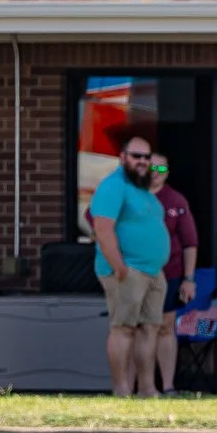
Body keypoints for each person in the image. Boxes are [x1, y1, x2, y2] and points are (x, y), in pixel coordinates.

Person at [88, 135, 171, 398]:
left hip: (152, 271)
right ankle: (121, 389)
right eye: (137, 156)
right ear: (123, 157)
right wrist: (119, 268)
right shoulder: (113, 186)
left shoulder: (141, 189)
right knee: (123, 328)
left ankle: (147, 389)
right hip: (128, 270)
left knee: (150, 328)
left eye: (147, 157)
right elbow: (102, 229)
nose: (143, 162)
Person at [148, 157, 199, 396]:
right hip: (135, 273)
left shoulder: (176, 201)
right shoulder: (130, 196)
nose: (155, 172)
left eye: (161, 168)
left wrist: (189, 279)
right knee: (136, 328)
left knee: (166, 326)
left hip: (170, 273)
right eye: (151, 167)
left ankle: (167, 385)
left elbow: (189, 242)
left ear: (167, 173)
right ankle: (135, 387)